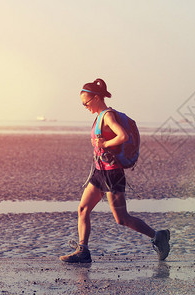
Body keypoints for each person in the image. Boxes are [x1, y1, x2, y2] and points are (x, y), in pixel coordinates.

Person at [60, 78, 170, 263]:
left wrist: (105, 143)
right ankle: (83, 251)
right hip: (99, 172)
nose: (84, 106)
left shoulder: (107, 116)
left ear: (96, 98)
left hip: (113, 174)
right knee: (83, 209)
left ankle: (158, 236)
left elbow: (123, 136)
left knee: (122, 218)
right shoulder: (99, 116)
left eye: (86, 102)